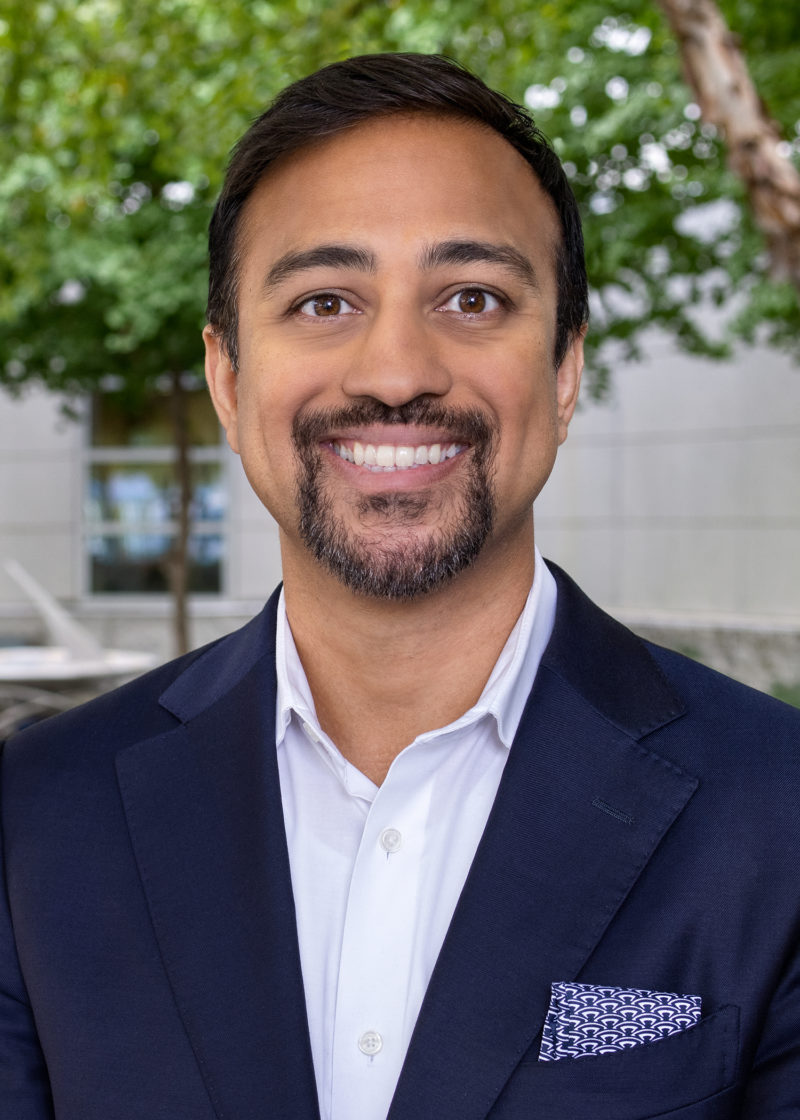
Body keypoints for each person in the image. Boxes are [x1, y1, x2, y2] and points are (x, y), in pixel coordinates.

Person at [1, 53, 798, 1120]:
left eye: (470, 297)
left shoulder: (776, 810)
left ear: (563, 372)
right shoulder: (38, 814)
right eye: (324, 300)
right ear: (228, 383)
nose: (393, 372)